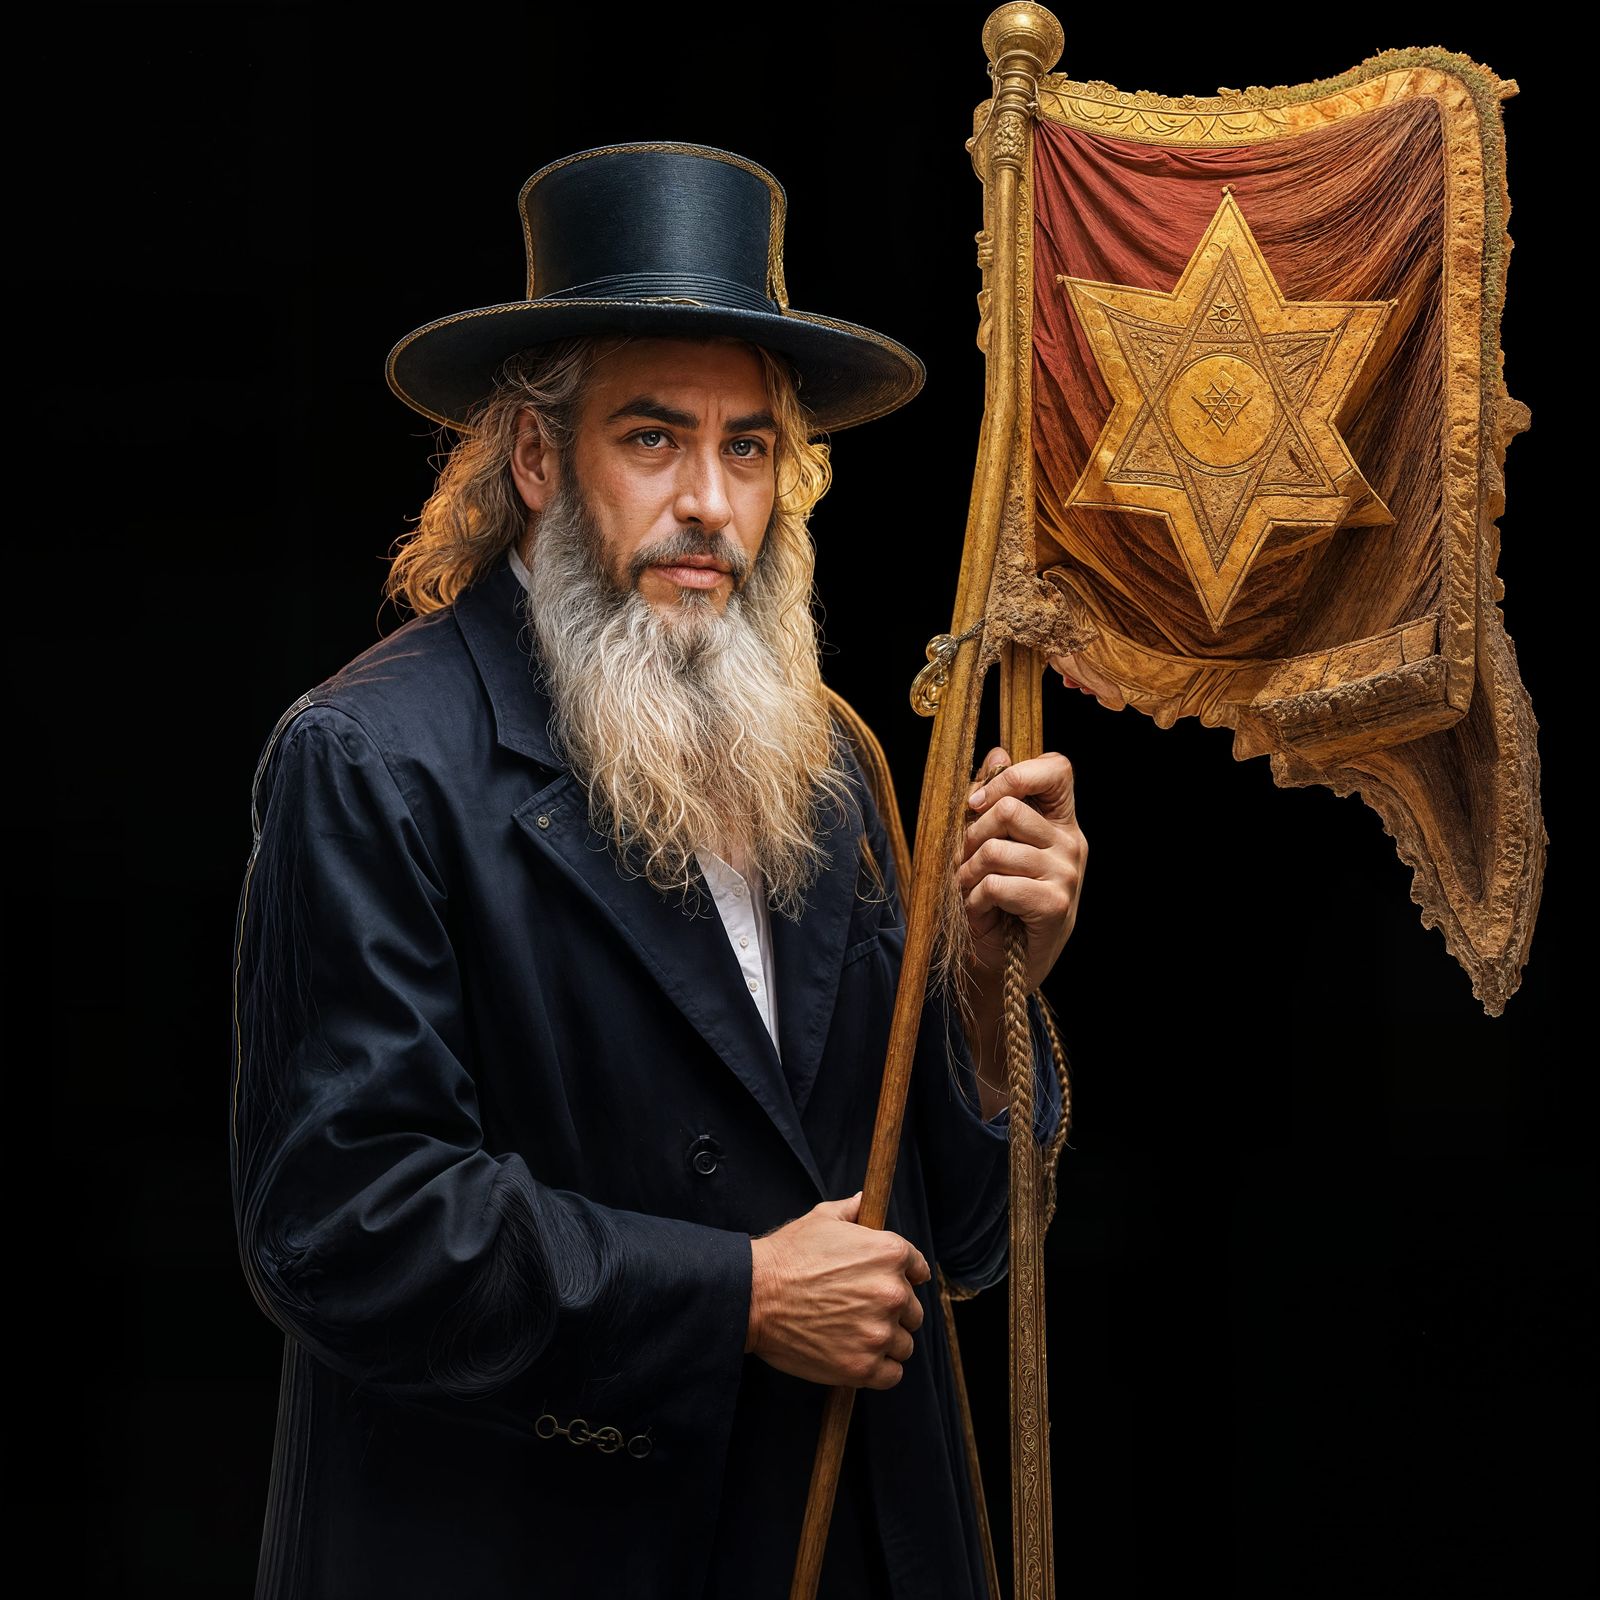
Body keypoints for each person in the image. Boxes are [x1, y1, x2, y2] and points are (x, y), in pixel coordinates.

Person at [230, 142, 1087, 1599]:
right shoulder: (375, 759)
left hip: (839, 1539)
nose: (709, 503)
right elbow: (343, 1223)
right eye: (652, 439)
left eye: (747, 447)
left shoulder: (832, 763)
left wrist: (985, 998)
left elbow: (945, 1247)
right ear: (537, 459)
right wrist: (738, 1297)